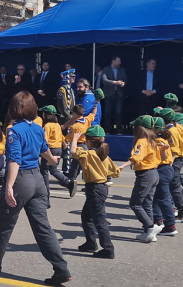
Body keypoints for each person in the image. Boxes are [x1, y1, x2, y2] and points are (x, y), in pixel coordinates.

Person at [0, 91, 71, 287]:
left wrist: (8, 185)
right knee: (43, 228)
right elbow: (44, 149)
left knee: (3, 227)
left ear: (14, 109)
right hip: (37, 180)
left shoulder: (13, 129)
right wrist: (52, 161)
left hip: (21, 180)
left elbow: (15, 159)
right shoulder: (37, 128)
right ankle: (61, 268)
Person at [71, 125, 119, 259]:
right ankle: (90, 242)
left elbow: (73, 152)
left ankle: (108, 249)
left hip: (94, 189)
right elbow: (115, 172)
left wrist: (74, 138)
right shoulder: (104, 155)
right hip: (101, 188)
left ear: (88, 141)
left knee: (99, 220)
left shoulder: (88, 154)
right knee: (86, 217)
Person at [118, 115, 167, 243]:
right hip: (154, 172)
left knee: (135, 203)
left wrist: (122, 166)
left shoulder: (142, 141)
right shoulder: (154, 140)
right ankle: (148, 233)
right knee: (147, 204)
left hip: (145, 174)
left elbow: (136, 157)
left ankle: (150, 228)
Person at [38, 105, 74, 204]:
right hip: (58, 149)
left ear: (45, 115)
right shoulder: (57, 125)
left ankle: (45, 195)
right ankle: (68, 183)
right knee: (53, 170)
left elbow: (45, 140)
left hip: (51, 149)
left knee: (44, 171)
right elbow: (62, 137)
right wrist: (64, 144)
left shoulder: (47, 126)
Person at [150, 116, 178, 237]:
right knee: (157, 197)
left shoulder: (156, 141)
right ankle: (158, 219)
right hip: (167, 168)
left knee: (163, 198)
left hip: (162, 169)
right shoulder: (163, 138)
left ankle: (170, 225)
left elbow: (161, 157)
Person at [98, 57, 126, 134]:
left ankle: (119, 130)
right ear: (113, 61)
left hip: (118, 93)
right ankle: (107, 130)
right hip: (108, 94)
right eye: (118, 61)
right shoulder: (106, 69)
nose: (119, 63)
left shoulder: (122, 70)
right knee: (107, 112)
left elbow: (125, 80)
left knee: (118, 112)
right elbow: (104, 80)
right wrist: (115, 82)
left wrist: (123, 83)